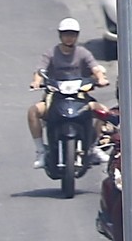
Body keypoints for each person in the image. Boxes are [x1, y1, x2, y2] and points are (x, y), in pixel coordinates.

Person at [29, 19, 109, 167]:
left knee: (103, 111)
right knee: (33, 111)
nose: (69, 38)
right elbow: (40, 70)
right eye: (66, 34)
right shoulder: (51, 53)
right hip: (54, 96)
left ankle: (94, 147)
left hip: (80, 96)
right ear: (60, 35)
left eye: (72, 34)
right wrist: (36, 81)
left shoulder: (83, 53)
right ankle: (41, 151)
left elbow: (95, 68)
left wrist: (101, 78)